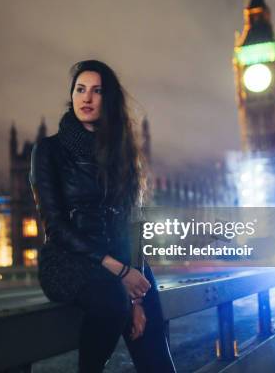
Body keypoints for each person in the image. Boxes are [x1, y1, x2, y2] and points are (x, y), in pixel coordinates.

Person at [30, 60, 176, 372]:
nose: (87, 98)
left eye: (97, 91)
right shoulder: (48, 150)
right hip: (71, 261)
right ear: (71, 96)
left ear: (108, 100)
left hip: (122, 260)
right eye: (80, 89)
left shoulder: (123, 154)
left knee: (157, 357)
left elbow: (132, 223)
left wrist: (136, 297)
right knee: (112, 300)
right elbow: (55, 226)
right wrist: (119, 273)